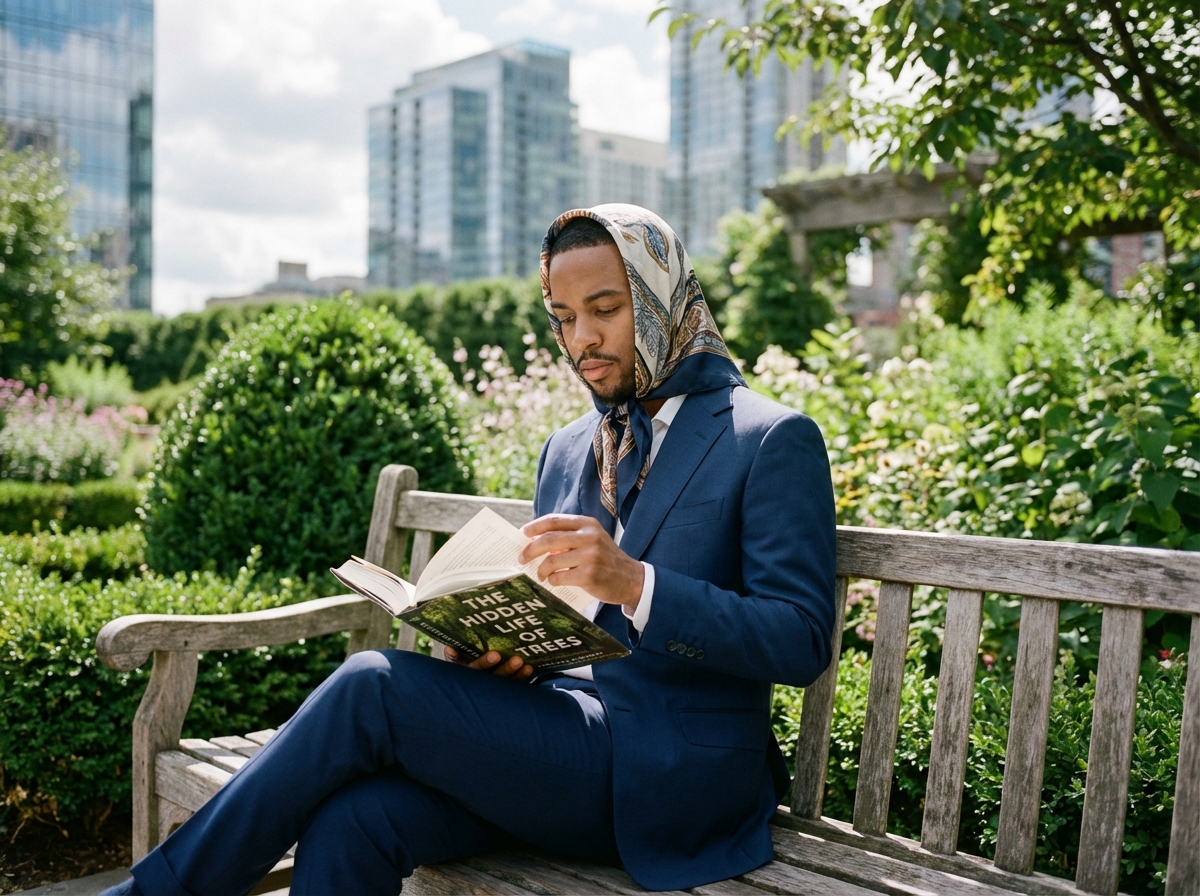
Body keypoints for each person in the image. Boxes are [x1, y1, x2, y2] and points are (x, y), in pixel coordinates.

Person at [103, 204, 835, 896]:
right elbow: (559, 616)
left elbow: (799, 639)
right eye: (563, 317)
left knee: (374, 683)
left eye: (605, 309)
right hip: (553, 749)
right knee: (352, 819)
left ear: (661, 296)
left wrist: (637, 584)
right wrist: (496, 651)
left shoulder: (768, 438)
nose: (582, 338)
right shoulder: (569, 448)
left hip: (674, 776)